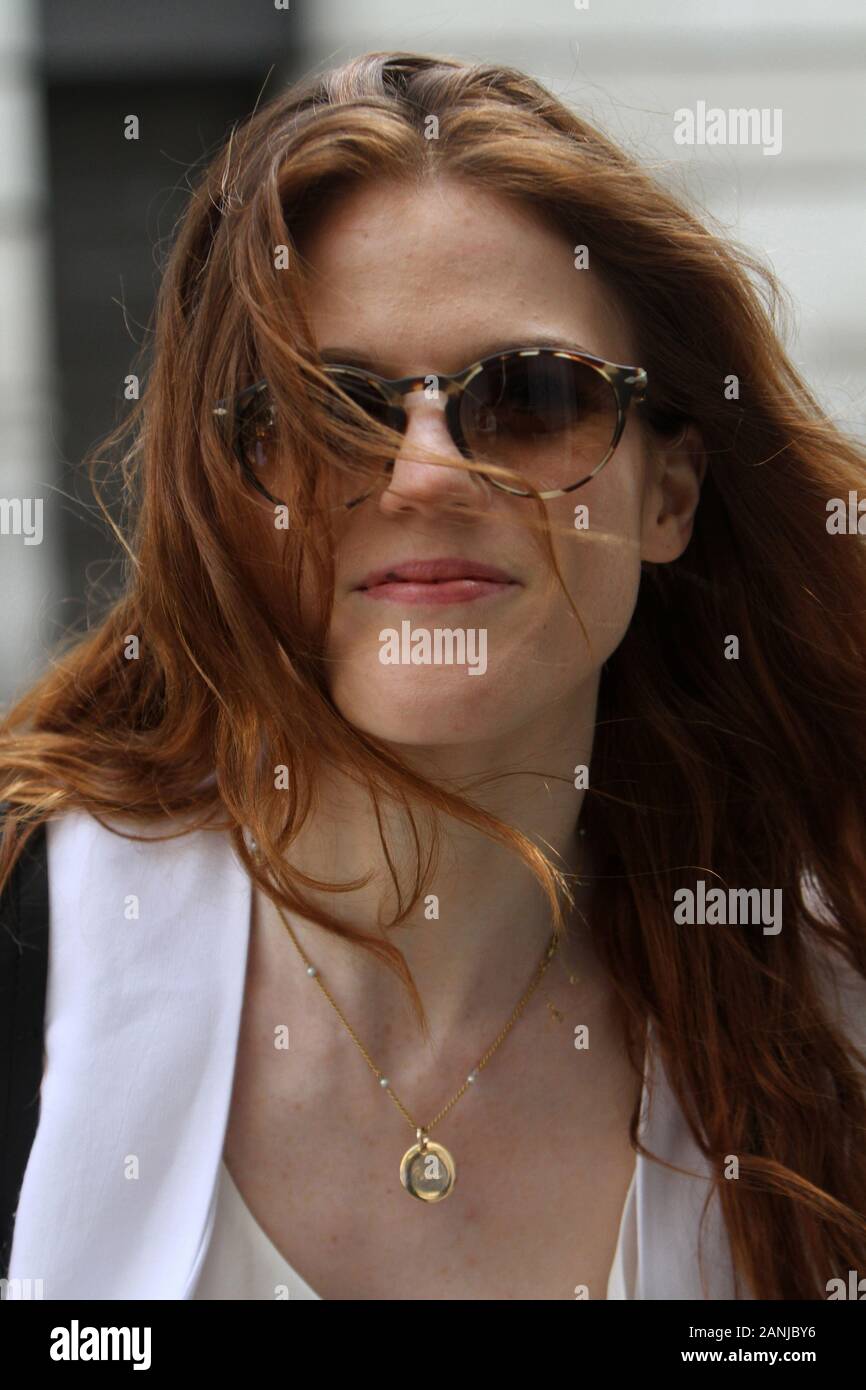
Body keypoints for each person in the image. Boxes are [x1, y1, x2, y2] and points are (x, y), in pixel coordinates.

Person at [2, 50, 865, 1302]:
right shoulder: (37, 940)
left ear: (668, 495)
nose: (424, 475)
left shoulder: (825, 1015)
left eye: (530, 399)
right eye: (330, 409)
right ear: (230, 490)